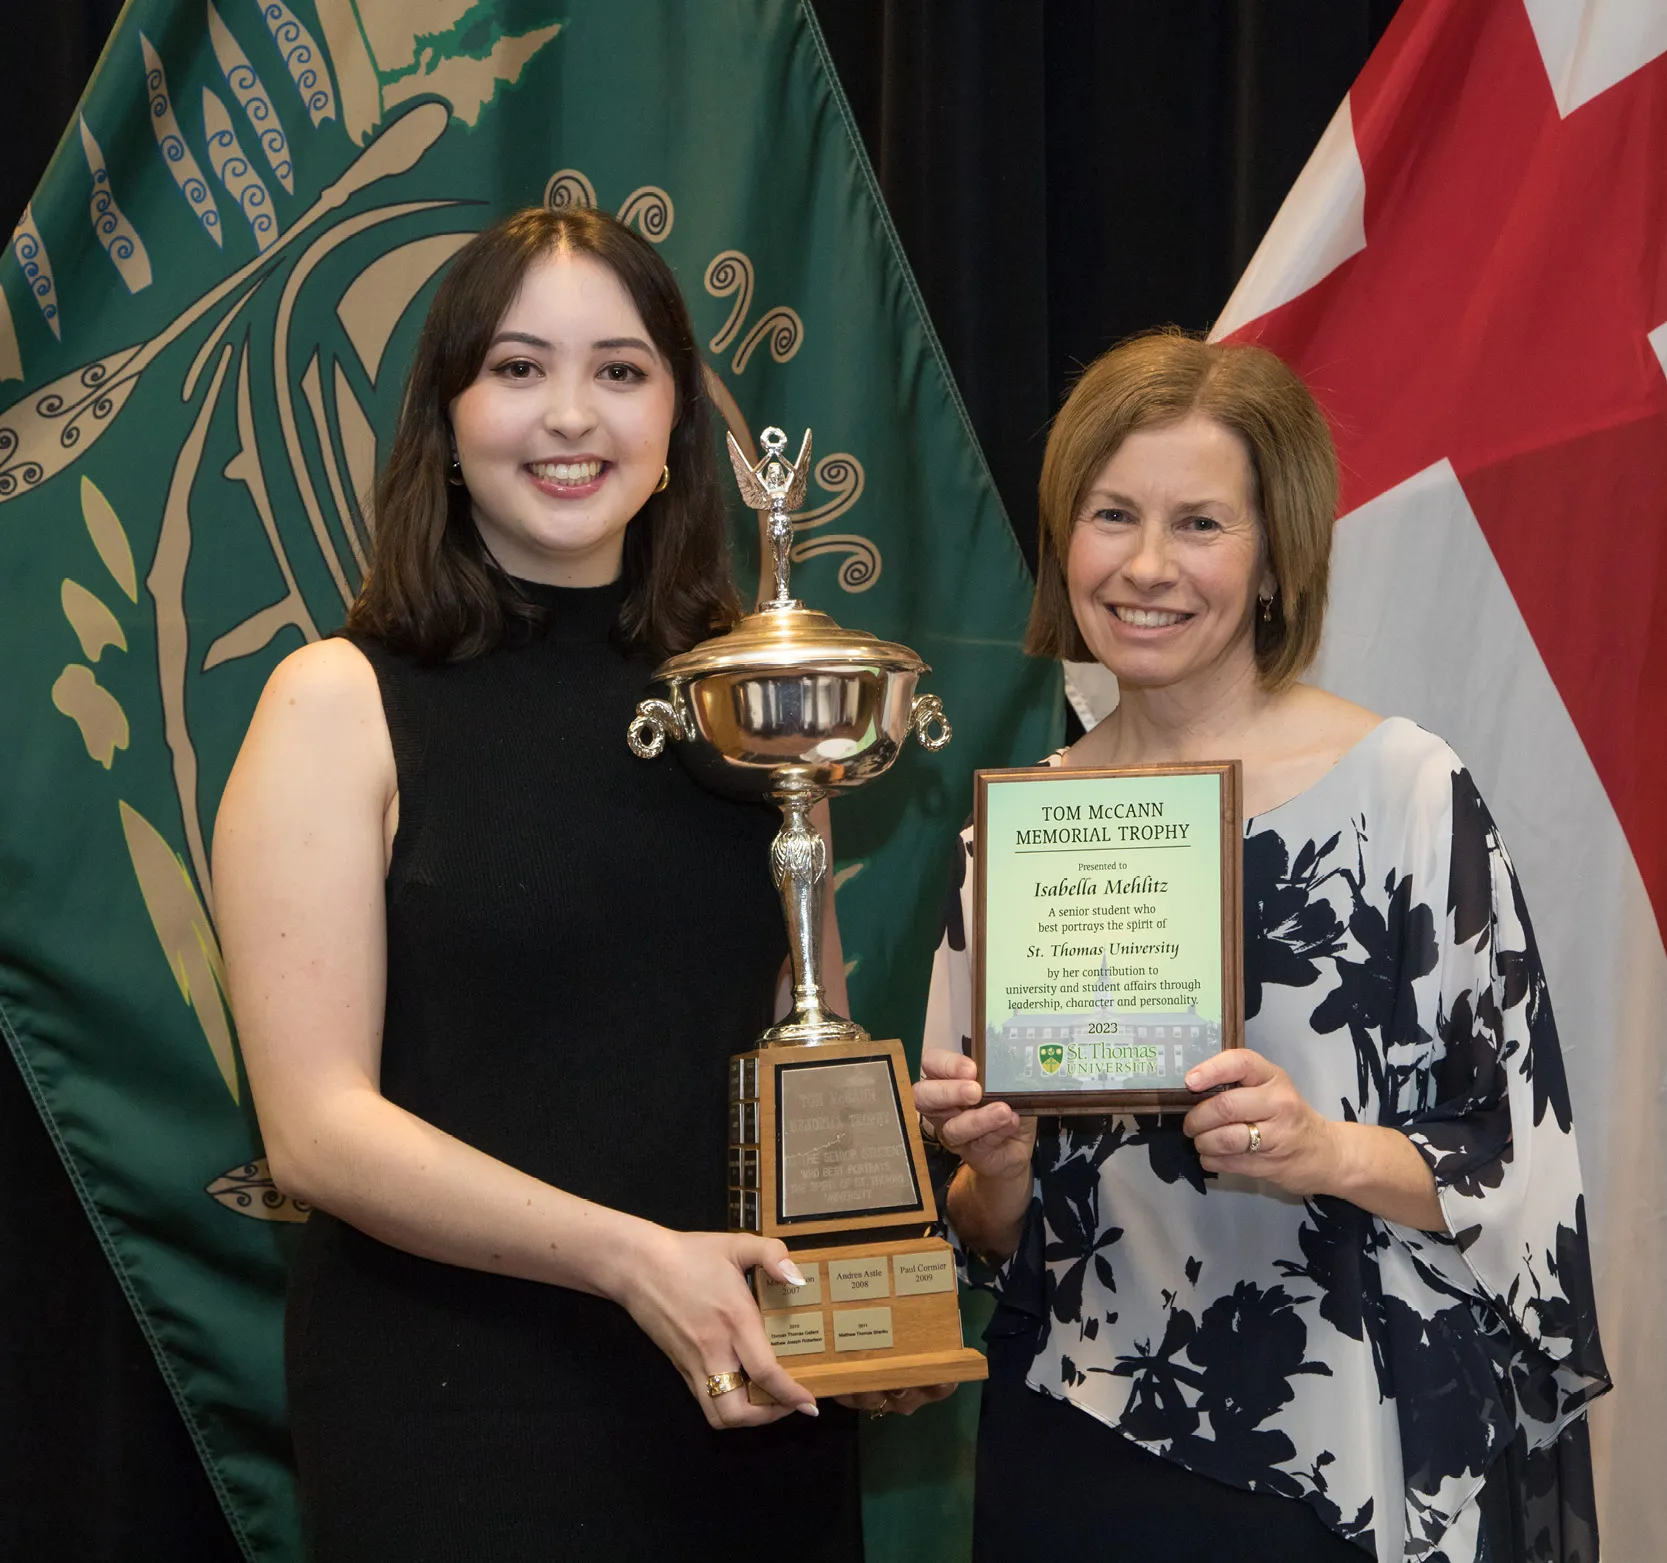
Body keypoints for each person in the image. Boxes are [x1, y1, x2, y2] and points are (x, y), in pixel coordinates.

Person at [213, 207, 864, 1560]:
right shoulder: (338, 702)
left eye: (620, 370)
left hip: (750, 1405)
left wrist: (877, 1255)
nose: (571, 414)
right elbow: (317, 1130)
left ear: (679, 419)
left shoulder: (748, 704)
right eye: (517, 368)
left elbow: (798, 1061)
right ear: (442, 418)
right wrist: (635, 1257)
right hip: (465, 1425)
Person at [915, 332, 1610, 1563]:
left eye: (1198, 525)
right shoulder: (1018, 828)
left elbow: (1516, 1172)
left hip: (1344, 1443)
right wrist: (1000, 1168)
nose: (1142, 566)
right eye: (1108, 513)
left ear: (1278, 559)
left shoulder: (1400, 792)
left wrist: (1320, 1148)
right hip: (1074, 1434)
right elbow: (986, 1230)